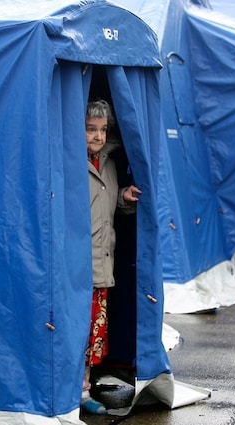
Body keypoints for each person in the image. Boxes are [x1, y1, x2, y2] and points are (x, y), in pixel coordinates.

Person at [81, 99, 141, 415]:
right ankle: (76, 392)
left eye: (103, 130)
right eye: (91, 129)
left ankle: (85, 388)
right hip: (78, 266)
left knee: (92, 334)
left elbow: (103, 206)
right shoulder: (72, 162)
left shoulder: (106, 162)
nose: (98, 136)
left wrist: (123, 198)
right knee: (77, 331)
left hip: (102, 260)